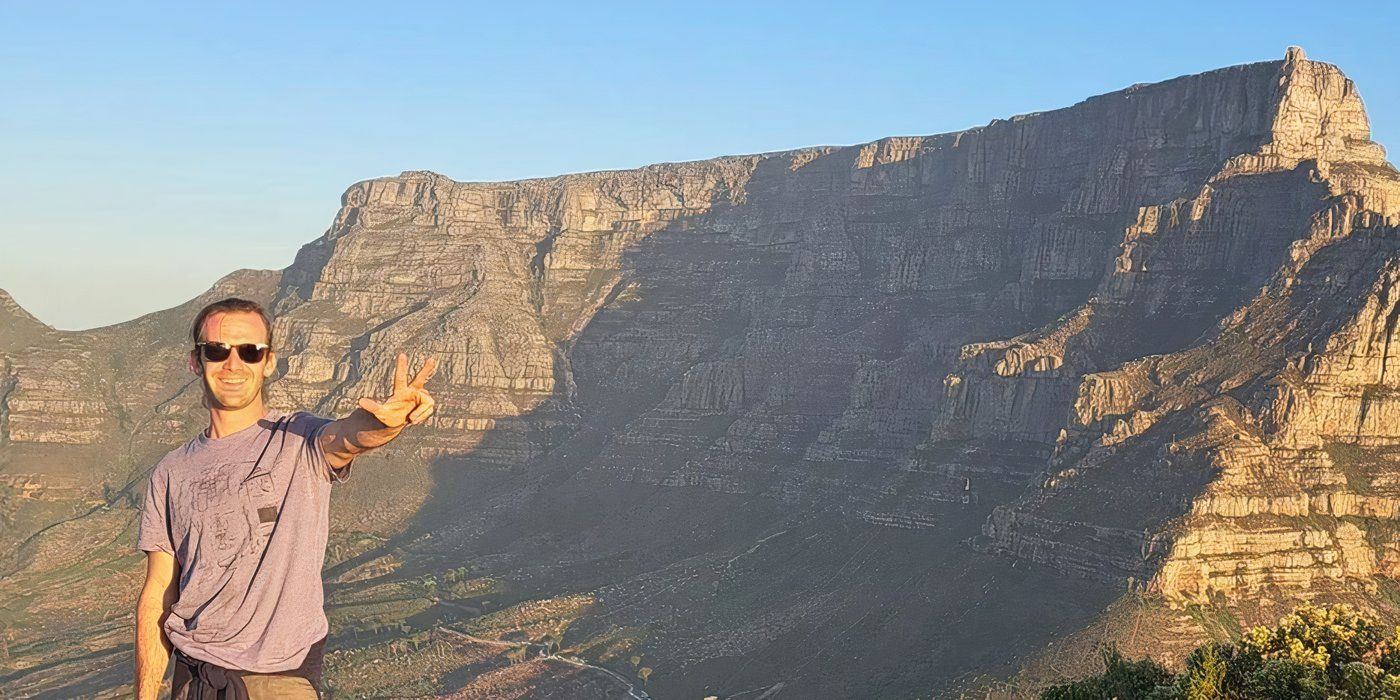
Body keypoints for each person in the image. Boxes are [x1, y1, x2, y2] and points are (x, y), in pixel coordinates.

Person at [133, 298, 437, 699]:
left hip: (278, 681)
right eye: (217, 350)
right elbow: (159, 591)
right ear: (196, 361)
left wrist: (384, 423)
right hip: (193, 680)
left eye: (250, 351)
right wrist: (145, 693)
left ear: (269, 362)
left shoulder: (298, 439)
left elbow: (347, 437)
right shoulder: (169, 472)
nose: (233, 363)